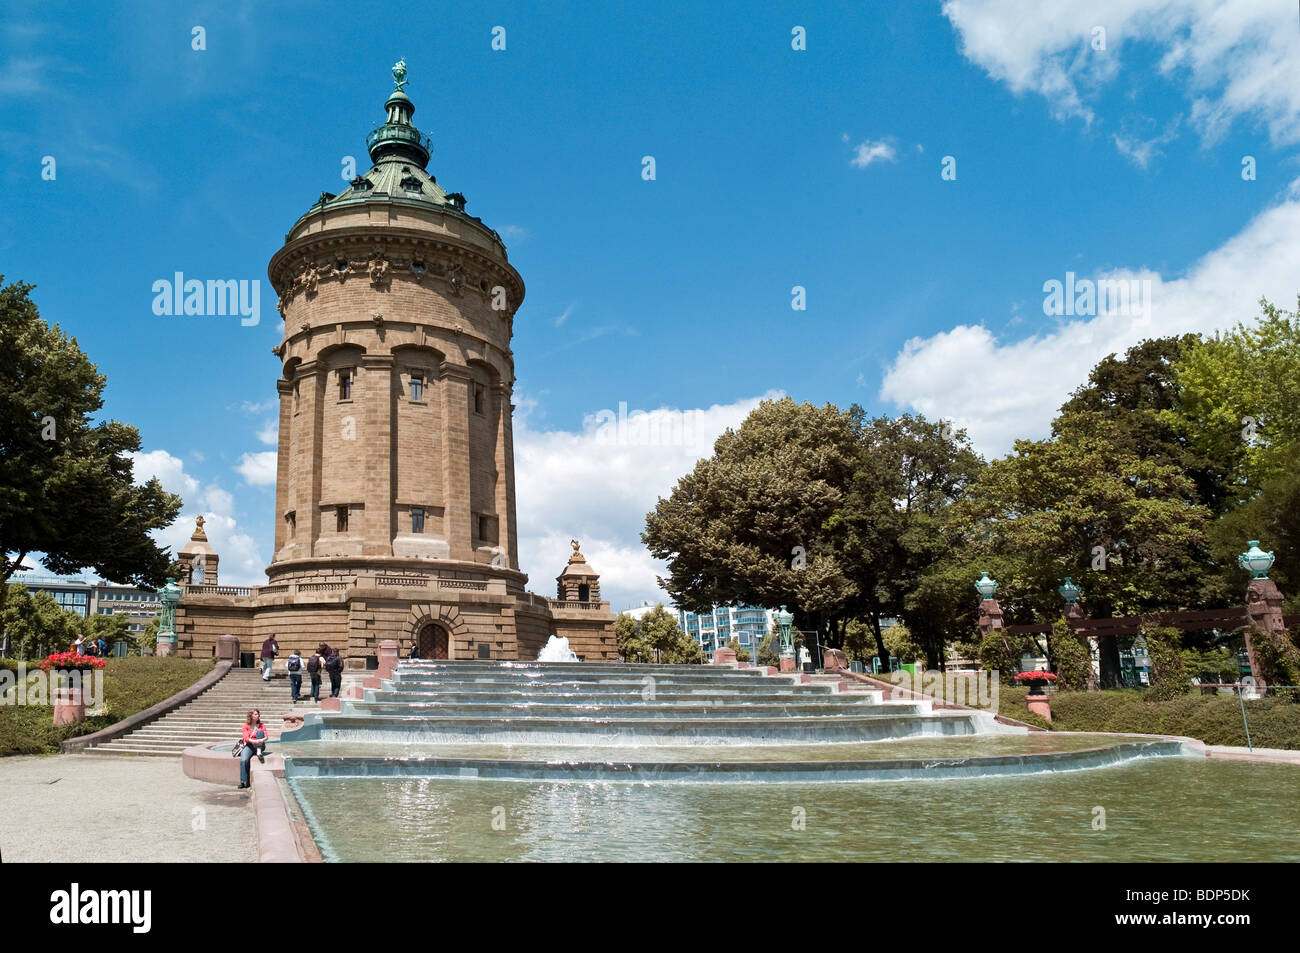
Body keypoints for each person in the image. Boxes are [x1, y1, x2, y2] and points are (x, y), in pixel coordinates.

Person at [237, 708, 267, 789]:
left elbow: (266, 737)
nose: (258, 715)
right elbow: (246, 738)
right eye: (255, 714)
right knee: (244, 760)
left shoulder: (261, 725)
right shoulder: (245, 725)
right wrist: (255, 741)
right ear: (251, 716)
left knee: (260, 732)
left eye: (258, 714)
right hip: (249, 745)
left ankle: (259, 752)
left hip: (260, 745)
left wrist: (261, 740)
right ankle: (244, 781)